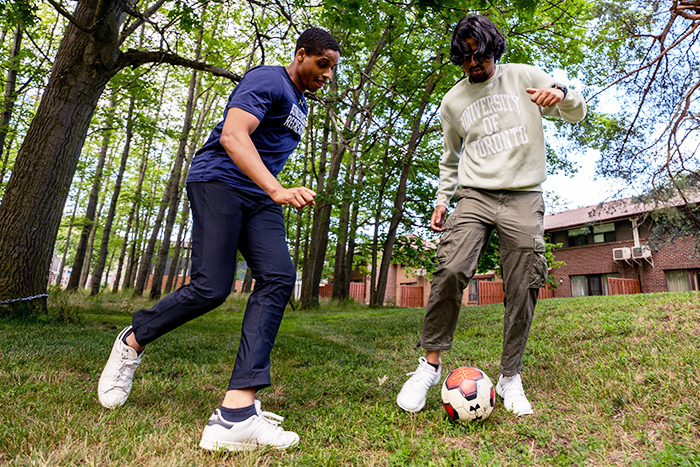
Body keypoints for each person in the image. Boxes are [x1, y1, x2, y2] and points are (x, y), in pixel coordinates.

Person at [97, 27, 340, 451]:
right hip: (219, 182)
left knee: (280, 277)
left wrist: (270, 189)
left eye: (333, 69)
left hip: (257, 194)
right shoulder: (269, 79)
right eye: (323, 65)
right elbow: (232, 136)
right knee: (211, 287)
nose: (328, 76)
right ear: (301, 54)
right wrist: (277, 189)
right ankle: (131, 341)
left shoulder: (300, 99)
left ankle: (236, 413)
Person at [396, 15, 586, 416]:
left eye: (478, 53)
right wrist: (442, 199)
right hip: (474, 195)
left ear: (491, 49)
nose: (472, 63)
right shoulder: (452, 102)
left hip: (523, 196)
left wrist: (562, 92)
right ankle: (430, 365)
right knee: (450, 268)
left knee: (523, 283)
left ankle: (510, 376)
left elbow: (576, 113)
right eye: (464, 56)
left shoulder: (523, 77)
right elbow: (450, 160)